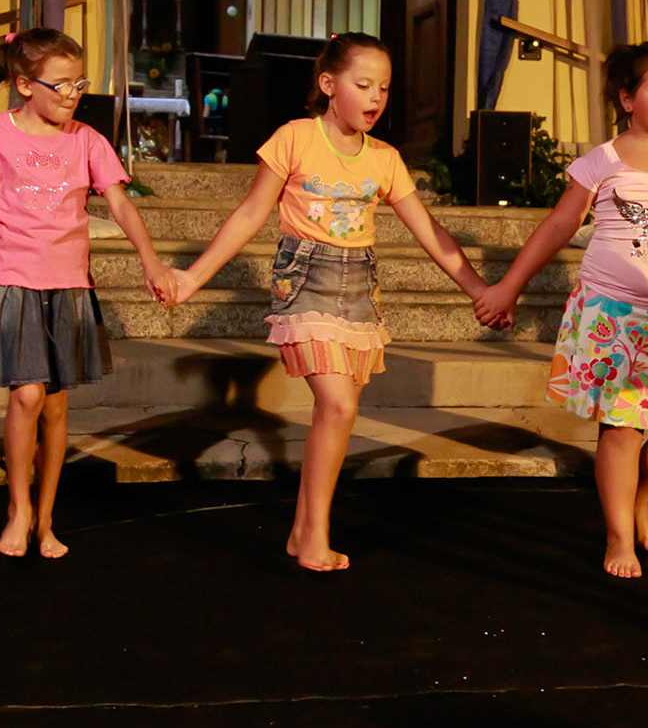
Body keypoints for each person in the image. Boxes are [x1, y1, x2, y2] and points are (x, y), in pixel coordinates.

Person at [168, 33, 492, 571]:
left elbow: (429, 232)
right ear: (328, 84)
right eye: (363, 85)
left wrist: (482, 291)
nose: (375, 98)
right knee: (338, 404)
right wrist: (192, 278)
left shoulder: (385, 159)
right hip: (305, 278)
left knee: (338, 412)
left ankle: (304, 530)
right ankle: (314, 532)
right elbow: (251, 213)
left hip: (358, 286)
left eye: (383, 88)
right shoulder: (295, 138)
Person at [0, 29, 174, 560]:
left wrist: (151, 261)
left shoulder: (87, 140)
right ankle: (18, 507)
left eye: (79, 83)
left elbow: (122, 206)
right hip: (10, 280)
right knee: (27, 395)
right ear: (23, 85)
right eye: (59, 84)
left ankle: (47, 516)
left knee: (56, 408)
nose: (71, 94)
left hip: (68, 287)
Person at [473, 44, 648, 577]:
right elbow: (558, 226)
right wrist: (509, 285)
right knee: (622, 429)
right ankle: (619, 534)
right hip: (610, 314)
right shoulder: (603, 160)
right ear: (628, 99)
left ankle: (641, 498)